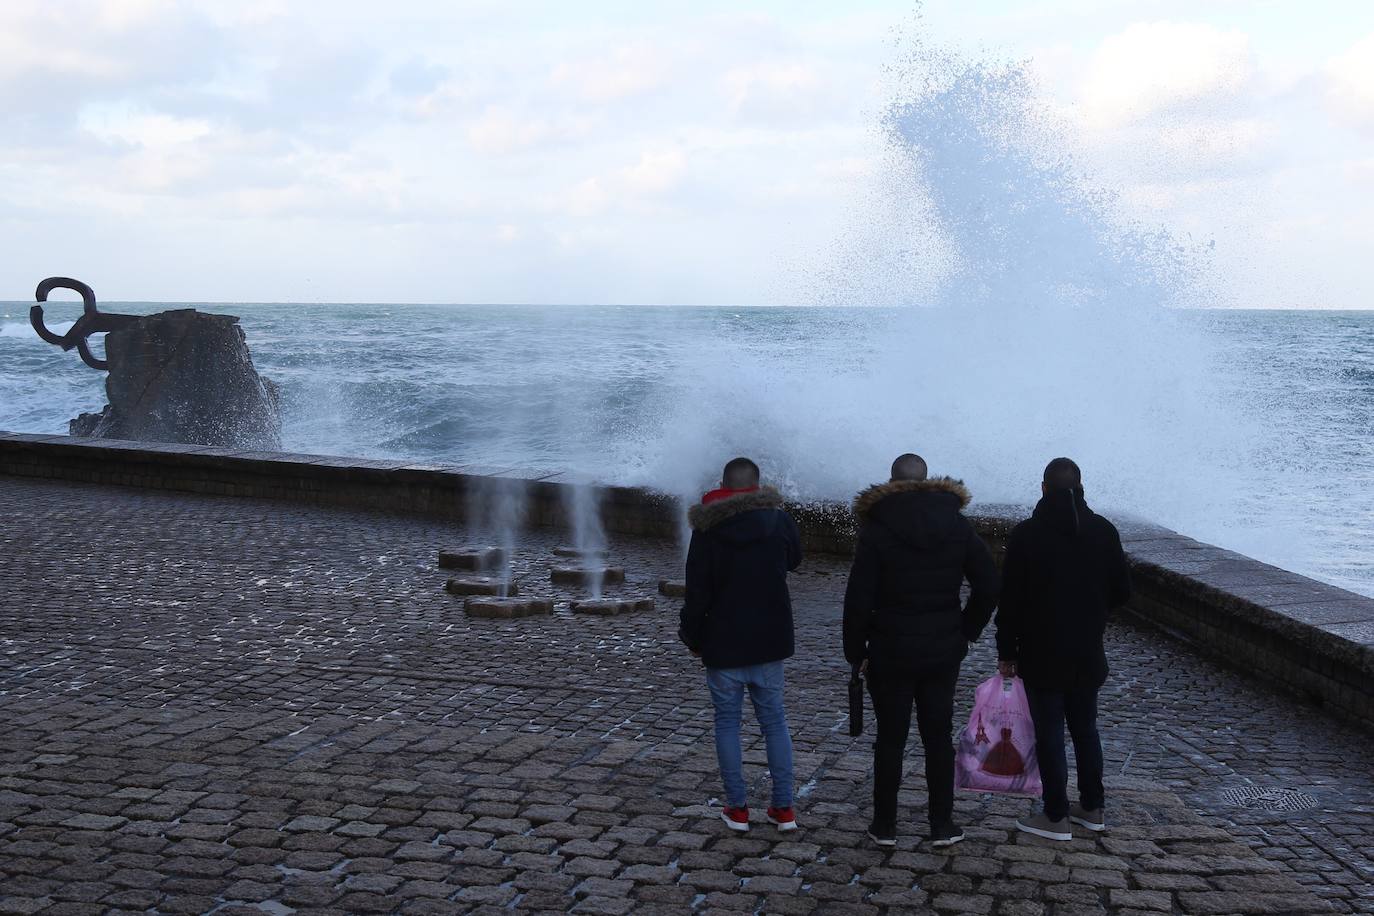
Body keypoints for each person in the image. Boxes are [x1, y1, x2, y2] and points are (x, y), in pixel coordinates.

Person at [843, 453, 999, 848]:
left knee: (891, 738)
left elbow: (859, 597)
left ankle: (884, 825)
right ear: (928, 480)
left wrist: (855, 648)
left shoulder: (877, 528)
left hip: (890, 647)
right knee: (937, 737)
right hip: (942, 648)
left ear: (892, 481)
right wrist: (967, 629)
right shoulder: (957, 524)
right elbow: (989, 585)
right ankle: (941, 824)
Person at [995, 457, 1131, 841]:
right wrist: (1093, 609)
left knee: (1050, 732)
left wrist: (1007, 652)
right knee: (1086, 729)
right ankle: (1092, 807)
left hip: (1042, 652)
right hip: (1088, 650)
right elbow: (1123, 591)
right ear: (1081, 487)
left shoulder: (1028, 535)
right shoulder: (1104, 531)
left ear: (1043, 489)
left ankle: (1055, 815)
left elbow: (1011, 602)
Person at [680, 456, 803, 832]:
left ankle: (737, 809)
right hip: (768, 640)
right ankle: (783, 809)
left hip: (724, 640)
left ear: (723, 485)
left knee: (728, 724)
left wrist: (693, 636)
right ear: (757, 485)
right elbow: (795, 561)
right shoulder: (779, 520)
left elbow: (697, 589)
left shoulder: (709, 528)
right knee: (775, 722)